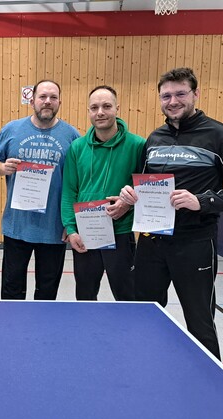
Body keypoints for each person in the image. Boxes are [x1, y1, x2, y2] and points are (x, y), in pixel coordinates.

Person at [120, 68, 223, 359]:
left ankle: (209, 382)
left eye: (180, 94)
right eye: (166, 96)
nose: (173, 101)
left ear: (196, 94)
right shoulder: (155, 139)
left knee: (199, 322)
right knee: (143, 314)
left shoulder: (219, 135)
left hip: (195, 243)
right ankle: (145, 369)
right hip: (151, 242)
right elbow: (142, 183)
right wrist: (130, 194)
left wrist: (202, 201)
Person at [0, 79, 80, 300]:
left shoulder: (72, 136)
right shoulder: (11, 129)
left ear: (59, 102)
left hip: (54, 228)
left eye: (53, 97)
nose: (47, 101)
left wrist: (71, 223)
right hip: (17, 226)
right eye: (42, 97)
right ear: (32, 100)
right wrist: (3, 167)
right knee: (11, 289)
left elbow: (77, 182)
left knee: (47, 292)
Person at [61, 86, 145, 301]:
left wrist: (128, 203)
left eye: (106, 106)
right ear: (88, 111)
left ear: (117, 109)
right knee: (85, 296)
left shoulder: (138, 145)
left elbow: (146, 188)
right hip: (86, 232)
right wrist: (71, 229)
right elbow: (69, 191)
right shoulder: (77, 147)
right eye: (94, 107)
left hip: (121, 232)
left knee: (127, 296)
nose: (100, 112)